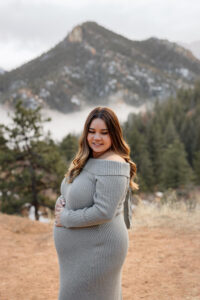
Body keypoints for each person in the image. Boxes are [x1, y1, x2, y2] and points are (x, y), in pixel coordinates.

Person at [53, 106, 139, 300]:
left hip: (99, 251)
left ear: (114, 135)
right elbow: (72, 190)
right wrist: (61, 202)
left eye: (103, 133)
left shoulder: (114, 165)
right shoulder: (90, 159)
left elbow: (103, 212)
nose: (96, 138)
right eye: (91, 132)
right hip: (80, 253)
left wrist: (65, 217)